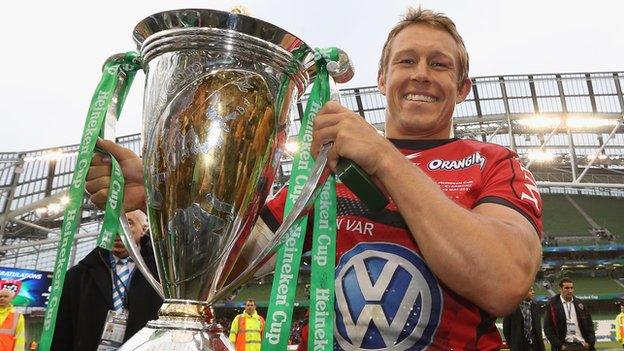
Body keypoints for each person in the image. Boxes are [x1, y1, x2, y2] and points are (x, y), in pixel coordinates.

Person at [85, 6, 543, 350]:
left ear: (463, 88)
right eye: (406, 62)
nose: (420, 74)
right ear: (382, 78)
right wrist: (168, 196)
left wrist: (383, 158)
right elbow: (234, 261)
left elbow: (502, 280)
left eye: (439, 65)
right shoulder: (326, 171)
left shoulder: (494, 163)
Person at [51, 210, 163, 350]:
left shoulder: (162, 274)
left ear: (144, 229)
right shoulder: (77, 276)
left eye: (128, 223)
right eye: (112, 222)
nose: (118, 230)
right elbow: (63, 332)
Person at [543, 277, 595, 351]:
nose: (570, 291)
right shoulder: (552, 305)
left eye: (571, 288)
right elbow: (548, 328)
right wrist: (559, 346)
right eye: (566, 288)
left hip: (582, 345)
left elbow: (590, 325)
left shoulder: (581, 304)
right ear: (560, 289)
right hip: (564, 347)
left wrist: (590, 343)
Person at [503, 286, 545, 350]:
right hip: (518, 346)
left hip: (534, 346)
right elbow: (506, 329)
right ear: (523, 292)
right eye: (530, 290)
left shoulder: (535, 306)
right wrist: (512, 345)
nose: (533, 292)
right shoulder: (512, 306)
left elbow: (538, 329)